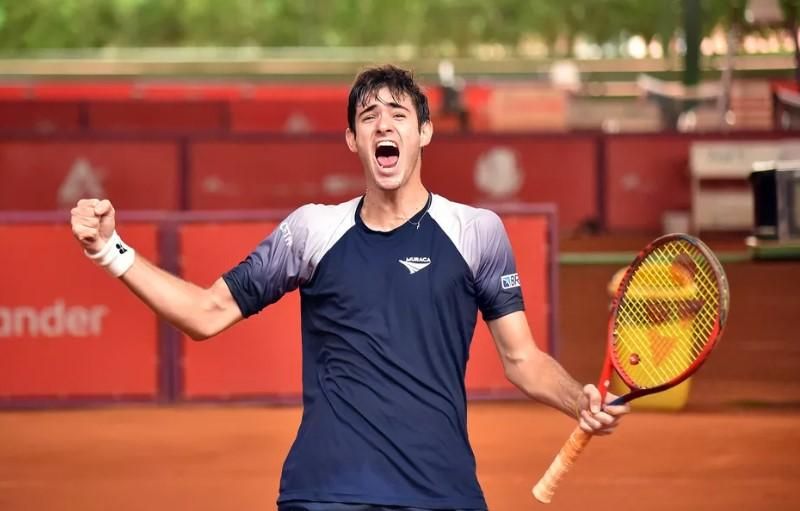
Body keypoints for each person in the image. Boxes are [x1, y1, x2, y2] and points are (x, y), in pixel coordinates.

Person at [70, 64, 628, 511]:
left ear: (424, 132)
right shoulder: (313, 230)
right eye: (368, 117)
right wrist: (108, 250)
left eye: (399, 114)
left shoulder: (477, 234)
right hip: (327, 490)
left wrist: (575, 396)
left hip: (441, 490)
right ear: (352, 139)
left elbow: (523, 358)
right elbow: (206, 312)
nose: (384, 125)